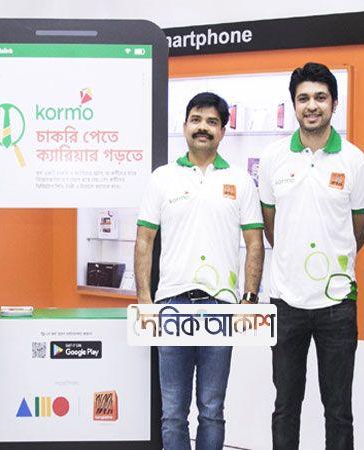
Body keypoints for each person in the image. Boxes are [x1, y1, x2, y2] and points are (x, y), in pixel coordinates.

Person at [135, 92, 265, 450]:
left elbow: (254, 243)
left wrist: (249, 298)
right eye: (196, 120)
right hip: (171, 305)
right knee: (173, 413)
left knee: (211, 410)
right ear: (184, 126)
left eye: (211, 122)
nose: (203, 127)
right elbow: (144, 239)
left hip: (220, 306)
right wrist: (145, 298)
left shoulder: (241, 180)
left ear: (222, 131)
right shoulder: (162, 178)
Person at [258, 62, 364, 450]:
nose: (311, 105)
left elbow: (357, 232)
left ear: (334, 104)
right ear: (293, 104)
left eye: (320, 97)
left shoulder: (355, 160)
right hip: (285, 302)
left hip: (337, 304)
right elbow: (271, 227)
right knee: (285, 407)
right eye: (303, 98)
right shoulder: (273, 157)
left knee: (338, 411)